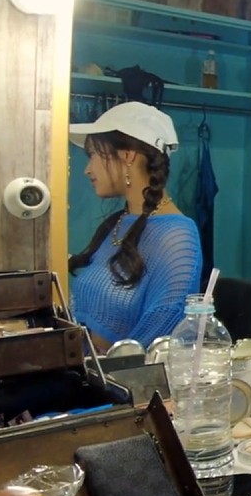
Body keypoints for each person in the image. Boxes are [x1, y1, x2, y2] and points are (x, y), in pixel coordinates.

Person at [68, 101, 201, 352]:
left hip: (114, 375)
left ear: (127, 155)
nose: (87, 169)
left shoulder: (176, 237)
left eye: (93, 154)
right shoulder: (120, 222)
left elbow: (151, 347)